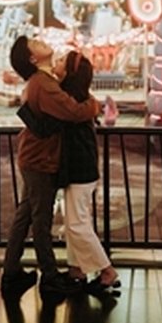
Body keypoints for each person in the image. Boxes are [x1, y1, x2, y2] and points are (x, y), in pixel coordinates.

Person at [2, 36, 100, 297]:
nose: (40, 40)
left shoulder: (40, 82)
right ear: (33, 58)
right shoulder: (44, 84)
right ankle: (50, 277)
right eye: (34, 43)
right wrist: (95, 105)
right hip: (40, 161)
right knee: (40, 219)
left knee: (25, 216)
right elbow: (74, 111)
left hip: (34, 158)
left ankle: (11, 273)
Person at [54, 51, 122, 293]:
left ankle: (107, 271)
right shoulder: (79, 97)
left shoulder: (70, 99)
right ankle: (77, 269)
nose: (57, 62)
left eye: (61, 61)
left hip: (79, 168)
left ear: (71, 72)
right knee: (75, 220)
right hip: (80, 167)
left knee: (76, 223)